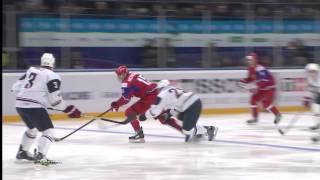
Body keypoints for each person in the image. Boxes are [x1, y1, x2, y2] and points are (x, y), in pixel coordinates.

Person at [11, 53, 82, 165]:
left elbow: (14, 87)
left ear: (41, 62)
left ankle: (22, 152)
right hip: (33, 106)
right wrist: (69, 109)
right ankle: (41, 156)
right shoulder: (52, 76)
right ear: (53, 63)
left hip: (20, 104)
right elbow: (55, 100)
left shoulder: (31, 70)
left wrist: (37, 97)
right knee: (49, 130)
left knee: (33, 128)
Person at [145, 80, 218, 142]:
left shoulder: (162, 94)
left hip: (191, 105)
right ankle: (197, 132)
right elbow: (173, 106)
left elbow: (155, 112)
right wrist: (168, 114)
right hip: (192, 103)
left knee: (187, 130)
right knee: (178, 116)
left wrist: (144, 115)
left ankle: (209, 129)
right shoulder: (171, 90)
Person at [110, 65, 158, 143]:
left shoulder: (127, 83)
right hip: (152, 94)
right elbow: (136, 88)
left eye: (120, 75)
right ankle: (139, 134)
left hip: (150, 97)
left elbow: (125, 99)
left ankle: (139, 134)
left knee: (129, 112)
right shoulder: (133, 74)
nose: (118, 77)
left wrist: (116, 104)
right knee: (130, 112)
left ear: (124, 74)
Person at [239, 52, 282, 125]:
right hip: (261, 88)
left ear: (255, 60)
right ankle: (255, 118)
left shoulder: (260, 68)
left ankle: (277, 114)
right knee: (253, 100)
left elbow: (264, 81)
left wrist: (254, 88)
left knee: (266, 103)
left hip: (269, 87)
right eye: (248, 60)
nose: (249, 61)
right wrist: (244, 81)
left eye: (251, 60)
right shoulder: (250, 68)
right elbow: (251, 78)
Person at [303, 63, 320, 142]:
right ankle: (317, 124)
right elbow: (309, 89)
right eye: (310, 71)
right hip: (318, 95)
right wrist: (306, 98)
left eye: (314, 71)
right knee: (315, 109)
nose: (312, 73)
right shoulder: (309, 78)